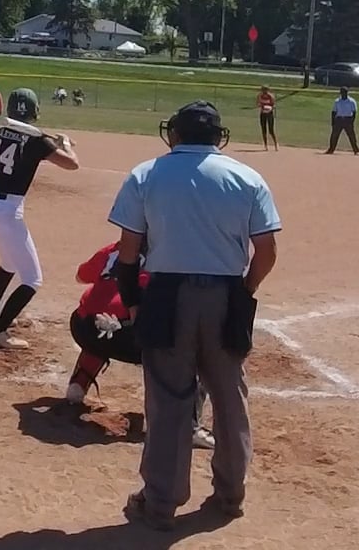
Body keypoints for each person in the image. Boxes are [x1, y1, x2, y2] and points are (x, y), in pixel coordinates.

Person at [108, 100, 280, 531]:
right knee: (230, 398)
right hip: (226, 292)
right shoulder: (248, 177)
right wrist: (243, 292)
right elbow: (266, 251)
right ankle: (230, 494)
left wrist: (133, 301)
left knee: (169, 401)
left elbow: (128, 251)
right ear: (218, 137)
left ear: (175, 134)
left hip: (167, 295)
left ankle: (161, 503)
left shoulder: (146, 174)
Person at [64, 238, 215, 450]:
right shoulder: (169, 254)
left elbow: (81, 276)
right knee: (195, 350)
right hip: (128, 336)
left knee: (101, 324)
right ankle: (189, 427)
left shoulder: (115, 249)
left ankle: (78, 385)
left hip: (82, 327)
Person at [0, 88, 80, 347]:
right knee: (33, 279)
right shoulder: (38, 141)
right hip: (6, 211)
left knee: (9, 262)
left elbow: (27, 145)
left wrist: (48, 143)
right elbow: (72, 164)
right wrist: (65, 143)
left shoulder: (1, 131)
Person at [326, 87, 359, 155]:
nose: (343, 94)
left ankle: (356, 150)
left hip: (348, 119)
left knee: (351, 136)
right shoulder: (337, 101)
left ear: (347, 93)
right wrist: (333, 122)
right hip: (339, 119)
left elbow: (354, 112)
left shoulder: (352, 101)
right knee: (334, 135)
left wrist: (352, 121)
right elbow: (334, 112)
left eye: (344, 93)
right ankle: (331, 150)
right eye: (342, 93)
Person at [255, 87, 278, 151]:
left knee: (271, 130)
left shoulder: (271, 96)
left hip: (269, 114)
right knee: (263, 130)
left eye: (265, 90)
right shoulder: (260, 95)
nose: (264, 91)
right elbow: (257, 103)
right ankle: (266, 145)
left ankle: (276, 144)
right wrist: (260, 105)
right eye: (263, 90)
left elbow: (274, 105)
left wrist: (270, 108)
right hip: (263, 114)